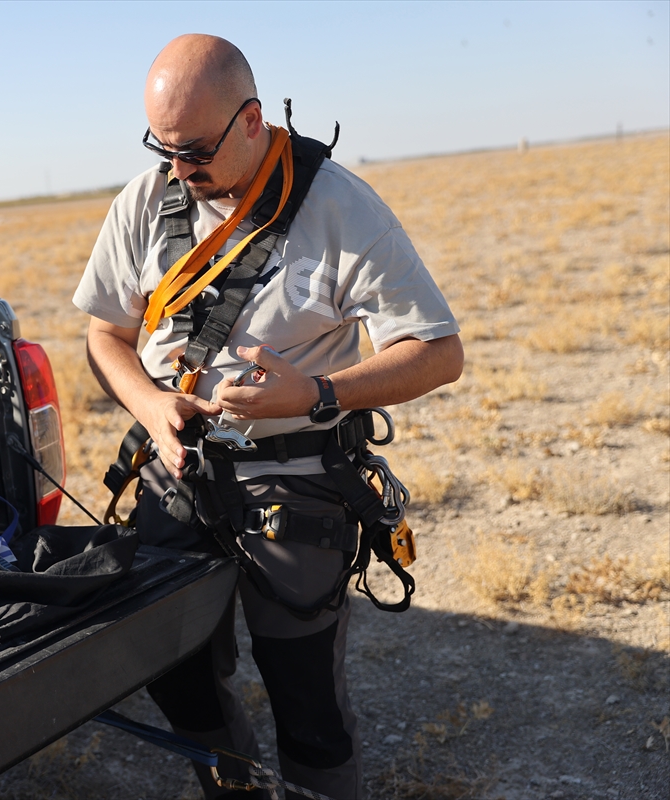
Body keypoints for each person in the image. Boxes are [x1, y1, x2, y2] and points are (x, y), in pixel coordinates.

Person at [73, 34, 463, 800]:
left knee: (306, 705)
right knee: (176, 676)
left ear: (251, 120)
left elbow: (437, 352)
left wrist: (316, 394)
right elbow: (104, 335)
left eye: (195, 151)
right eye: (162, 148)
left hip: (297, 482)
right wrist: (151, 406)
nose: (178, 170)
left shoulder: (339, 206)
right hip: (175, 477)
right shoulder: (145, 202)